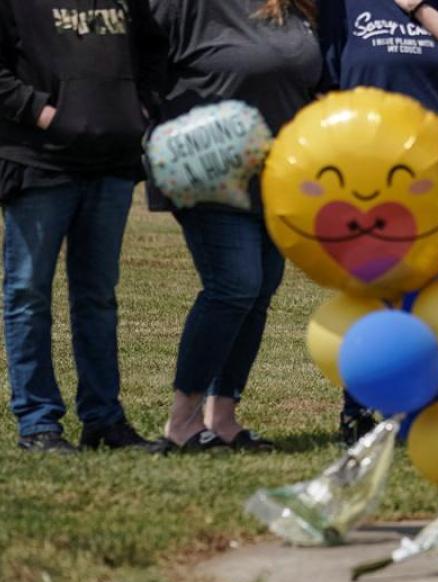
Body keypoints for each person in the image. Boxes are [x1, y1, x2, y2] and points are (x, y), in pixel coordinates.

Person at [148, 0, 325, 452]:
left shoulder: (298, 6)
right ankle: (180, 423)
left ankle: (222, 417)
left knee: (260, 289)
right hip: (210, 175)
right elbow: (138, 63)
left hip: (278, 176)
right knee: (234, 286)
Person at [320, 0, 438, 446]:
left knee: (432, 294)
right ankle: (361, 408)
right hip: (365, 178)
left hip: (434, 176)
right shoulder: (344, 6)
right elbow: (325, 82)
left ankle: (432, 406)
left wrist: (420, 9)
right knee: (372, 294)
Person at [0, 0, 162, 454]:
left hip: (111, 163)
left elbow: (153, 50)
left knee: (97, 298)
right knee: (28, 295)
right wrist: (43, 112)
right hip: (38, 163)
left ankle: (104, 421)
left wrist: (141, 107)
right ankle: (38, 424)